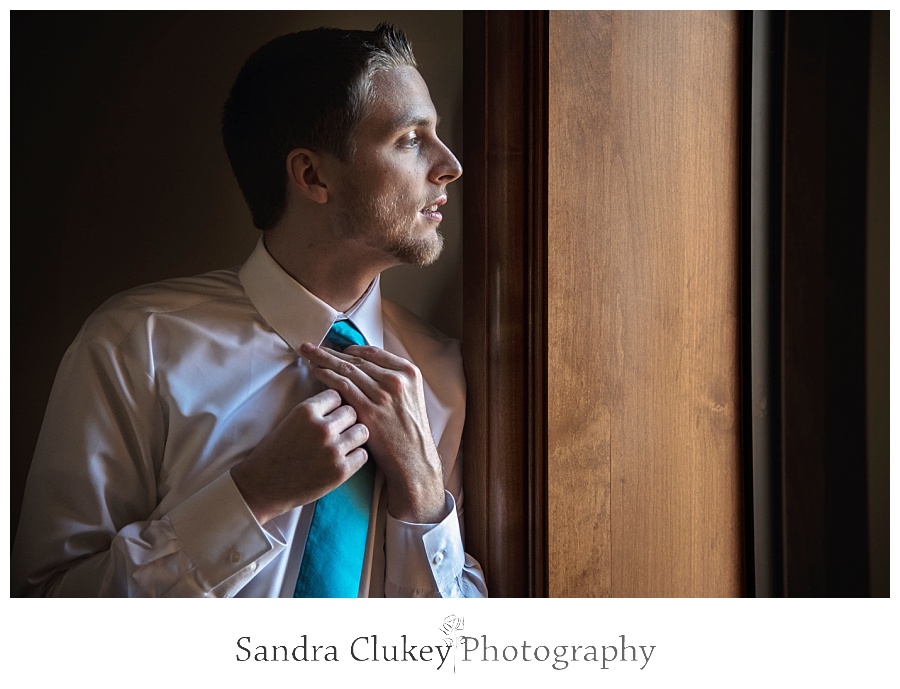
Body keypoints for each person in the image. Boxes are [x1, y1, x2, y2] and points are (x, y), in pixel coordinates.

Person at [12, 23, 487, 598]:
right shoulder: (137, 346)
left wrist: (425, 496)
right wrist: (253, 496)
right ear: (312, 175)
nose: (450, 165)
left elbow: (459, 648)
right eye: (411, 138)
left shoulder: (443, 378)